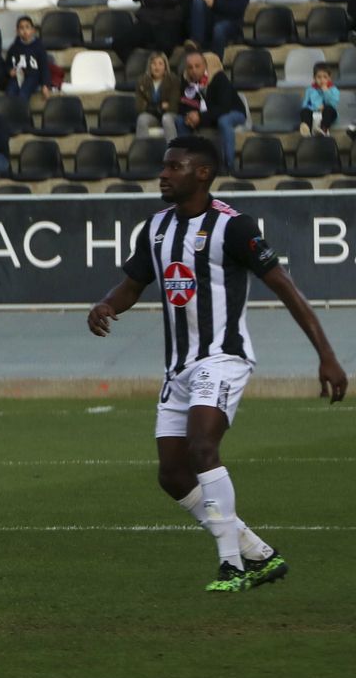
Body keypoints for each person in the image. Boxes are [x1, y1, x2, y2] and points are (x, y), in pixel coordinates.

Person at [87, 136, 347, 592]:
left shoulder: (235, 227)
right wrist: (107, 304)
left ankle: (231, 566)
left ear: (202, 173)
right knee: (172, 473)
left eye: (174, 167)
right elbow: (133, 283)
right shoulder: (157, 228)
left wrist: (326, 354)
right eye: (164, 167)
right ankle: (258, 554)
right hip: (178, 367)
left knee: (202, 447)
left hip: (223, 358)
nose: (163, 174)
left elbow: (285, 286)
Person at [176, 49, 247, 172]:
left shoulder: (218, 78)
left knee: (224, 121)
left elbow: (223, 108)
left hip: (233, 111)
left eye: (197, 66)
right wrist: (189, 115)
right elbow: (183, 105)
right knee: (180, 120)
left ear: (204, 66)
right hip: (207, 115)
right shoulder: (186, 80)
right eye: (190, 67)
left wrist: (200, 117)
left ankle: (229, 166)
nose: (193, 70)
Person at [4, 14, 51, 98]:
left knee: (23, 93)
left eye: (27, 27)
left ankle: (22, 110)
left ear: (33, 30)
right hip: (17, 76)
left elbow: (44, 67)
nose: (25, 31)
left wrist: (45, 85)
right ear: (17, 31)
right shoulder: (14, 48)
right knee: (10, 92)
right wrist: (10, 71)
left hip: (32, 76)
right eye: (21, 28)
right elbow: (7, 64)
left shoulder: (39, 47)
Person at [301, 62, 339, 136]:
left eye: (325, 77)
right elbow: (305, 104)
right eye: (319, 77)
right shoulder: (310, 90)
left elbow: (333, 104)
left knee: (329, 109)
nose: (322, 80)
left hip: (327, 114)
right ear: (314, 78)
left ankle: (323, 129)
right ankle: (306, 128)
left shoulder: (333, 90)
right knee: (304, 111)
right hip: (314, 114)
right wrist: (315, 108)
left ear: (329, 78)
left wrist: (326, 92)